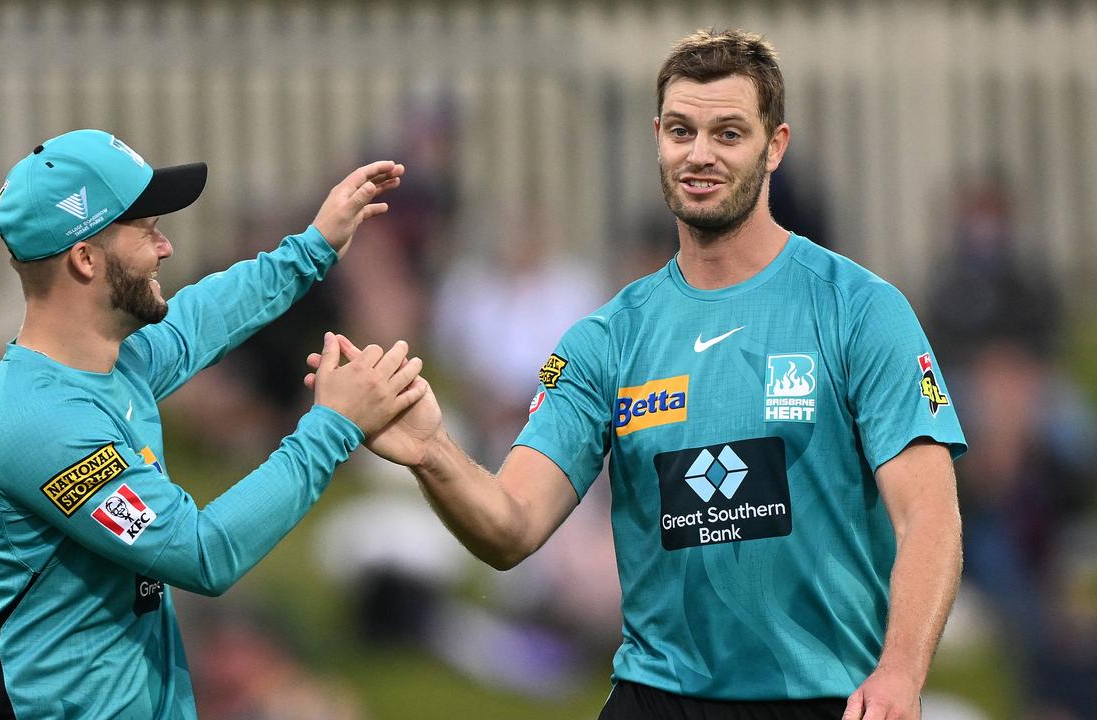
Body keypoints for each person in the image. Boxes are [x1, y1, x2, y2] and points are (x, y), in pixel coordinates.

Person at [309, 29, 966, 719]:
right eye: (681, 130)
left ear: (775, 146)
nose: (700, 154)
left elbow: (929, 515)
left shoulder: (859, 310)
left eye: (729, 132)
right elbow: (510, 527)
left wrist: (899, 672)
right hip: (659, 699)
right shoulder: (604, 341)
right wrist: (429, 452)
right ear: (657, 138)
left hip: (825, 698)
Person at [0, 129, 423, 719]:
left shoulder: (110, 364)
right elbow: (202, 553)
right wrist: (332, 426)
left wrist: (315, 246)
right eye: (145, 230)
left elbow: (201, 320)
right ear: (85, 258)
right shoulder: (38, 422)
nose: (165, 247)